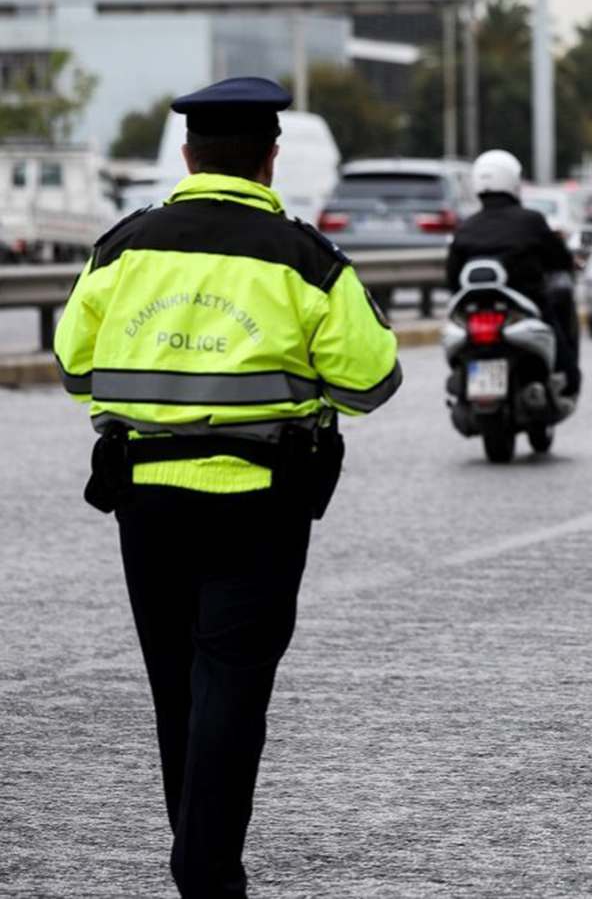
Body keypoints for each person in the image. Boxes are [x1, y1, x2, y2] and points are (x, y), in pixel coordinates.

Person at [52, 76, 401, 897]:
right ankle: (206, 869)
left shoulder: (124, 245)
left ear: (187, 154)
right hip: (260, 502)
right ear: (269, 159)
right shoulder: (306, 256)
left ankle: (199, 854)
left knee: (177, 686)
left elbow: (72, 366)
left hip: (144, 497)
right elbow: (371, 381)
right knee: (233, 687)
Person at [447, 149, 580, 396]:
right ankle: (569, 380)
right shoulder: (531, 220)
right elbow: (558, 259)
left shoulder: (466, 226)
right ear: (513, 180)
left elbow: (452, 276)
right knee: (556, 318)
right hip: (524, 304)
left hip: (474, 310)